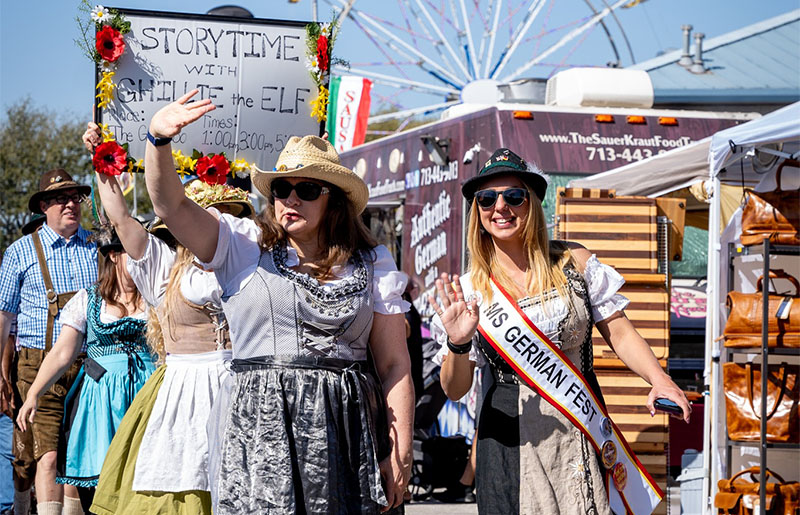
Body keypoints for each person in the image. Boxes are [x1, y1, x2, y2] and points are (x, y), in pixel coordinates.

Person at [142, 90, 414, 514]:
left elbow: (395, 365)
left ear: (334, 200)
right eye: (283, 188)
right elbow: (171, 206)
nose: (291, 198)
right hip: (260, 431)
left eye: (306, 188)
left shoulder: (373, 263)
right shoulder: (241, 246)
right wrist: (158, 141)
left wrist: (398, 450)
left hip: (348, 432)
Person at [429, 148, 690, 514]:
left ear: (532, 203)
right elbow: (454, 390)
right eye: (487, 199)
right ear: (478, 212)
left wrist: (659, 379)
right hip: (510, 443)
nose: (500, 207)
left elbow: (621, 333)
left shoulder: (574, 262)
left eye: (513, 196)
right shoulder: (471, 288)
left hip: (578, 426)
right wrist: (458, 344)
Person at [80, 121, 257, 515]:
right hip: (182, 389)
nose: (218, 224)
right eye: (210, 214)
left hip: (244, 388)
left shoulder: (252, 265)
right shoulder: (162, 266)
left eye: (227, 215)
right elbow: (122, 219)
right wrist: (103, 160)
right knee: (176, 488)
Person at [16, 227, 156, 511]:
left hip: (147, 399)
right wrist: (33, 395)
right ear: (114, 255)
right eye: (135, 253)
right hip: (101, 406)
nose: (144, 260)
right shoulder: (89, 300)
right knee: (101, 485)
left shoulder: (155, 297)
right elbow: (62, 353)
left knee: (146, 483)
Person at [0, 169, 97, 515]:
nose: (71, 204)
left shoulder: (97, 246)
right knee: (39, 455)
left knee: (74, 454)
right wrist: (0, 373)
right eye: (60, 199)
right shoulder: (20, 252)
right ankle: (23, 505)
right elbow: (4, 317)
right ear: (44, 206)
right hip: (35, 363)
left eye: (75, 198)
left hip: (90, 365)